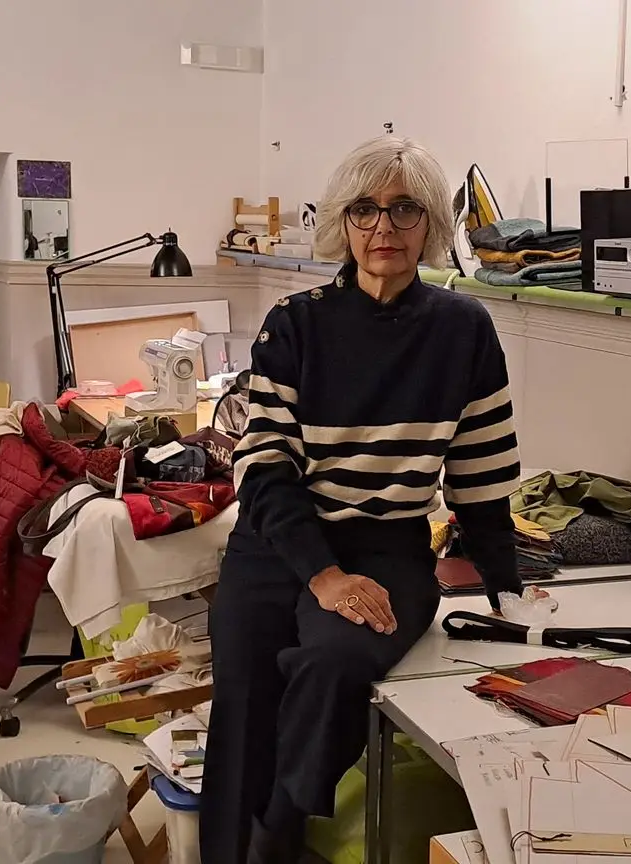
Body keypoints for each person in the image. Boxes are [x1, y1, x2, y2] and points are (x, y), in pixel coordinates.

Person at [202, 137, 526, 864]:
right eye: (365, 210)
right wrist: (323, 575)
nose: (385, 227)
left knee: (336, 666)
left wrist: (506, 589)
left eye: (405, 209)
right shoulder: (296, 322)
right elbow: (264, 467)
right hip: (277, 544)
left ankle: (278, 830)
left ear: (429, 222)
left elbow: (480, 470)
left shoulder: (463, 328)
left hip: (387, 546)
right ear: (342, 222)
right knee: (244, 707)